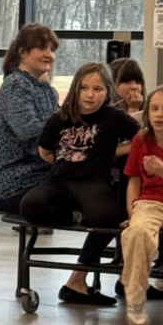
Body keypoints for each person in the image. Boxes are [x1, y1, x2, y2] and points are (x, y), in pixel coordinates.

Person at [20, 62, 138, 306]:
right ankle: (75, 216)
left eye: (97, 89)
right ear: (76, 89)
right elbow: (44, 151)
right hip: (60, 182)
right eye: (84, 88)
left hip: (93, 183)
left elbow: (144, 138)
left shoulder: (114, 118)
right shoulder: (60, 117)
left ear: (107, 93)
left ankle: (77, 279)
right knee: (30, 205)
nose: (90, 95)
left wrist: (115, 151)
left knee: (108, 218)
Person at [0, 23, 60, 214]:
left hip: (41, 175)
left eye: (52, 49)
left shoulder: (48, 92)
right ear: (23, 52)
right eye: (42, 48)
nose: (49, 55)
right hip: (16, 182)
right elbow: (28, 131)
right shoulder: (16, 85)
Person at [118, 86, 163, 325]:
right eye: (154, 108)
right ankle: (135, 299)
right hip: (150, 202)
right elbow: (133, 180)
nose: (159, 115)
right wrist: (132, 213)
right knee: (137, 232)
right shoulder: (141, 140)